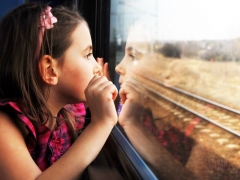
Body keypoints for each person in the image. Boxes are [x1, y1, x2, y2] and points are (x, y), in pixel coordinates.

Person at [0, 2, 118, 179]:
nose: (97, 67)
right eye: (87, 55)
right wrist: (101, 123)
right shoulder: (5, 126)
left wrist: (107, 100)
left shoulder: (71, 112)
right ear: (50, 70)